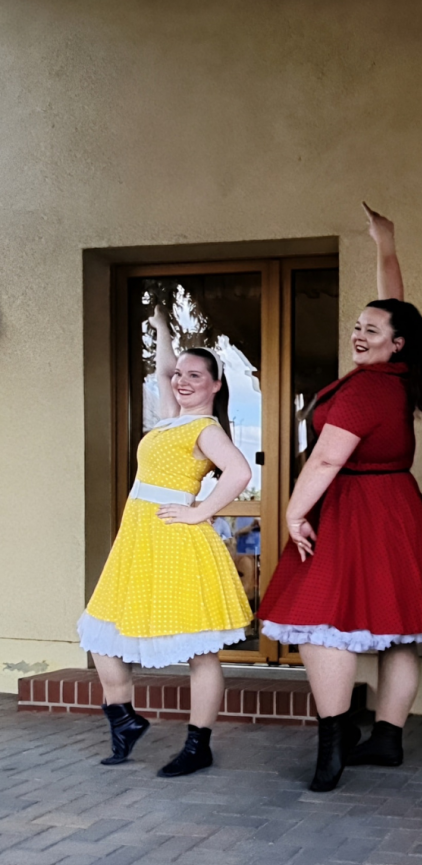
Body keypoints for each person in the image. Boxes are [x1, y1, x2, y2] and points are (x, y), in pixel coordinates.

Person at [258, 203, 422, 792]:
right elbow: (396, 308)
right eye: (358, 326)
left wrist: (293, 511)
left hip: (354, 509)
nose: (358, 333)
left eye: (371, 330)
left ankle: (333, 744)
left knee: (320, 622)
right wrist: (384, 245)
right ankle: (387, 738)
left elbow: (326, 459)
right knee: (397, 629)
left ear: (396, 344)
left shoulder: (367, 389)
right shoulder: (399, 375)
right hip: (398, 510)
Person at [77, 304, 252, 776]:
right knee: (101, 630)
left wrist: (199, 511)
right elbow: (161, 371)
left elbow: (239, 473)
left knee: (200, 649)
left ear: (216, 385)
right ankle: (124, 718)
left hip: (176, 540)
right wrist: (161, 329)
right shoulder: (171, 418)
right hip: (137, 540)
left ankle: (198, 744)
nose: (182, 380)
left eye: (196, 375)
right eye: (180, 374)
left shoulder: (205, 428)